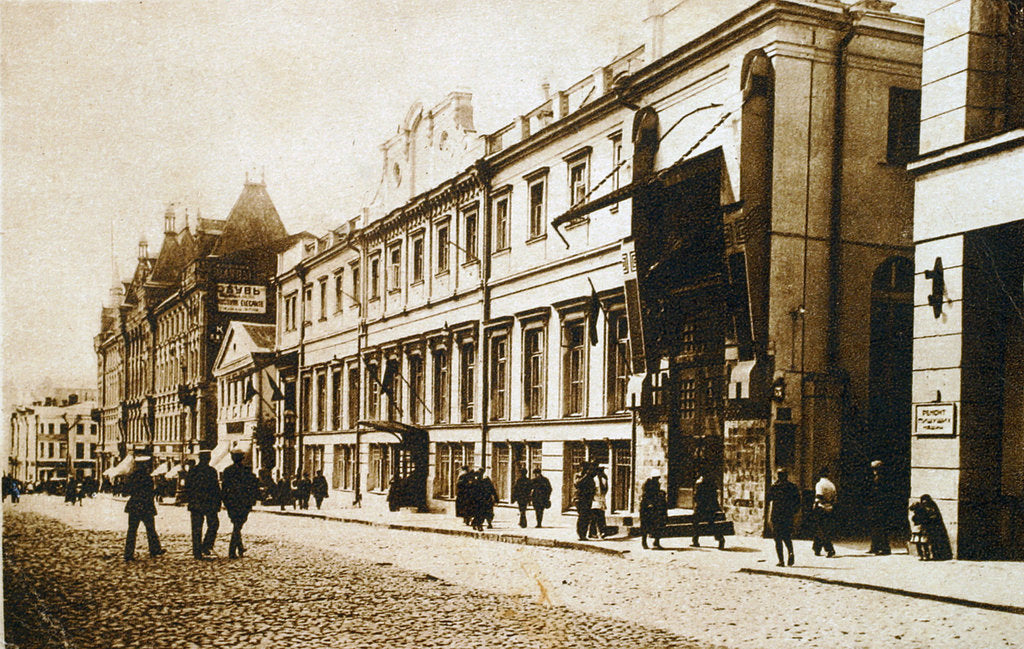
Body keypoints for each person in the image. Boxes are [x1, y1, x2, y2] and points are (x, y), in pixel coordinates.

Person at [123, 456, 165, 562]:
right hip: (146, 506)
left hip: (134, 506)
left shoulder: (131, 477)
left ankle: (128, 553)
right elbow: (149, 492)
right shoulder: (147, 477)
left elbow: (127, 490)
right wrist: (157, 491)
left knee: (132, 530)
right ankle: (154, 549)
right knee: (150, 529)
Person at [220, 449, 260, 559]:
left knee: (236, 524)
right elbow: (253, 486)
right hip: (243, 502)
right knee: (238, 526)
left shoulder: (227, 471)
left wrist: (225, 501)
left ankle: (240, 547)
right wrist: (252, 500)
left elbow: (224, 488)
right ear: (242, 458)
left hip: (231, 502)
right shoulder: (246, 471)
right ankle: (232, 550)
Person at [184, 450, 221, 559]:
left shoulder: (193, 471)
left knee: (197, 528)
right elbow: (216, 488)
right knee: (213, 524)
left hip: (196, 503)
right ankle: (206, 546)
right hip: (209, 504)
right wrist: (218, 502)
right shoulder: (211, 471)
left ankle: (198, 551)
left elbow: (187, 487)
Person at [767, 467, 801, 567]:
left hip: (777, 515)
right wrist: (794, 512)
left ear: (778, 476)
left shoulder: (775, 487)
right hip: (788, 515)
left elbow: (768, 499)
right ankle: (790, 552)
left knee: (777, 538)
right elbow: (798, 502)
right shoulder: (792, 487)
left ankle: (781, 561)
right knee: (787, 536)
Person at [909, 494, 952, 561]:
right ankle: (922, 555)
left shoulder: (931, 508)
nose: (924, 502)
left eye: (925, 500)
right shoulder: (921, 507)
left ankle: (930, 555)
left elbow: (933, 516)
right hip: (922, 527)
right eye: (923, 500)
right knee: (920, 542)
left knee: (928, 542)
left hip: (930, 527)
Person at [692, 473, 725, 549]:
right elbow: (715, 497)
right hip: (710, 508)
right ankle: (720, 539)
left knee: (695, 522)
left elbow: (696, 497)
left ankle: (695, 541)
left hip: (701, 507)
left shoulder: (699, 483)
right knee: (712, 524)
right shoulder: (712, 483)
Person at [867, 460, 891, 555]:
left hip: (880, 507)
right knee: (874, 527)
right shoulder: (875, 478)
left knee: (881, 527)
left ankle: (885, 548)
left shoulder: (882, 479)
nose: (874, 471)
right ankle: (875, 547)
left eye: (875, 468)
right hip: (875, 506)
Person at [639, 471, 668, 549]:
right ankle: (644, 542)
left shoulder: (657, 484)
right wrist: (649, 503)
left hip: (655, 508)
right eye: (656, 478)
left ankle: (656, 542)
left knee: (658, 525)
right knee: (645, 525)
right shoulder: (647, 484)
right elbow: (645, 495)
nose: (657, 479)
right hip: (646, 508)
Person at [812, 467, 837, 558]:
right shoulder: (831, 485)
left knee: (821, 529)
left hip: (821, 508)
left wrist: (815, 505)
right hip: (829, 507)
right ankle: (817, 548)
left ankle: (829, 549)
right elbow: (835, 498)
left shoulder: (819, 484)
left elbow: (818, 496)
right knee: (823, 528)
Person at [573, 462, 596, 541]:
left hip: (587, 499)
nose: (583, 469)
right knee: (582, 516)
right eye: (582, 468)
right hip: (579, 499)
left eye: (585, 468)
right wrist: (586, 476)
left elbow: (593, 487)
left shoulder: (590, 477)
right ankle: (581, 534)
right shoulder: (577, 475)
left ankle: (584, 534)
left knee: (586, 517)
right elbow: (577, 484)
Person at [589, 464, 609, 539]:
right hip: (595, 500)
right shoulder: (594, 479)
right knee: (594, 517)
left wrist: (602, 498)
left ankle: (602, 532)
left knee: (601, 517)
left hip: (601, 500)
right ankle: (592, 533)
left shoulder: (604, 479)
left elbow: (606, 489)